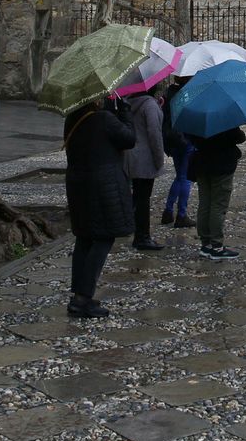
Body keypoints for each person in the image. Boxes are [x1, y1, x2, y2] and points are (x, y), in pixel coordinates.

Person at [63, 96, 135, 317]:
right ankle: (84, 297)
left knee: (85, 237)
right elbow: (129, 139)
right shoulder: (104, 119)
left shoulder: (73, 119)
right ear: (94, 99)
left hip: (78, 184)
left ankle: (78, 295)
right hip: (103, 186)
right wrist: (125, 113)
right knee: (104, 237)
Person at [188, 125, 245, 260]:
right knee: (218, 205)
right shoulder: (224, 120)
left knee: (205, 204)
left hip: (202, 163)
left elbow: (190, 138)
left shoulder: (196, 120)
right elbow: (239, 137)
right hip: (221, 165)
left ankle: (206, 244)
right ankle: (217, 245)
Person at [122, 88, 166, 251]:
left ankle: (130, 227)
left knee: (137, 196)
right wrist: (159, 159)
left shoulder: (128, 103)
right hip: (145, 158)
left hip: (130, 156)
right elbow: (155, 134)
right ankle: (142, 237)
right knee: (143, 199)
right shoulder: (149, 105)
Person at [160, 77, 196, 228]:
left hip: (172, 140)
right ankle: (181, 214)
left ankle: (168, 211)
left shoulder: (169, 93)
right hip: (186, 139)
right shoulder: (189, 94)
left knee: (179, 176)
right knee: (185, 178)